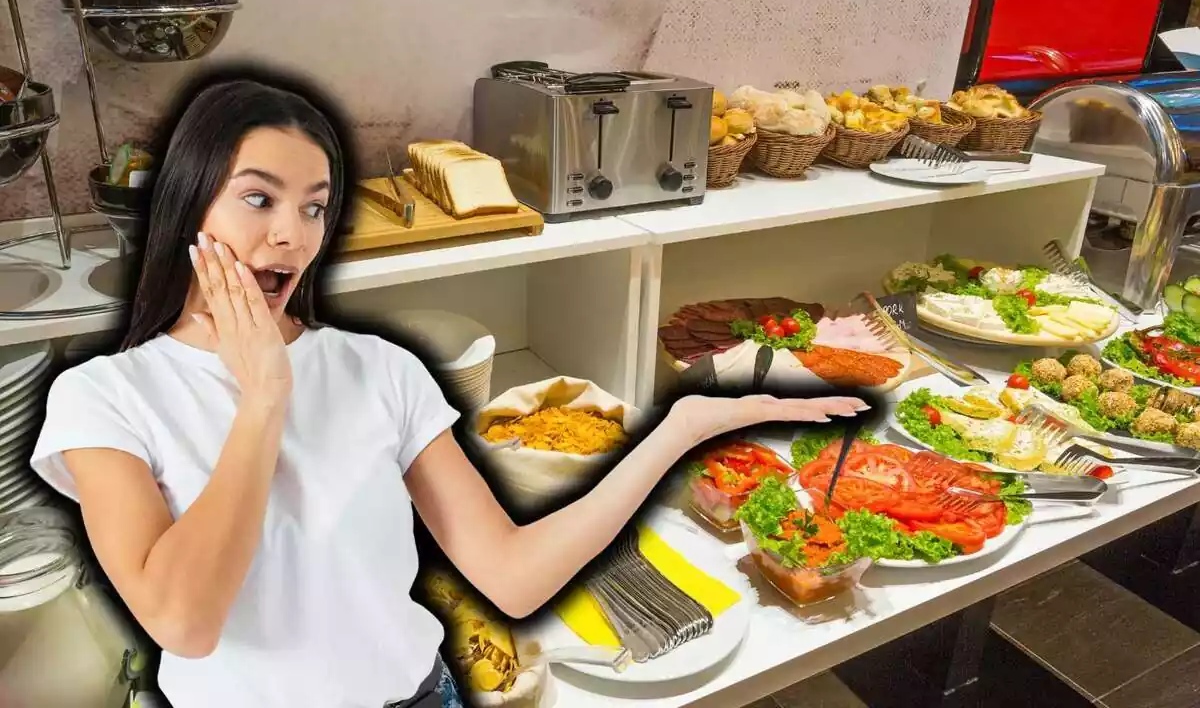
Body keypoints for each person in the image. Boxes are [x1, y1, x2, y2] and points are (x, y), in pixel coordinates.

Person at [28, 65, 868, 708]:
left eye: (316, 207)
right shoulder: (105, 396)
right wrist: (262, 402)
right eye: (258, 198)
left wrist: (678, 431)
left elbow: (509, 575)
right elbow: (183, 621)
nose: (290, 235)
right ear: (188, 208)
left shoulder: (380, 370)